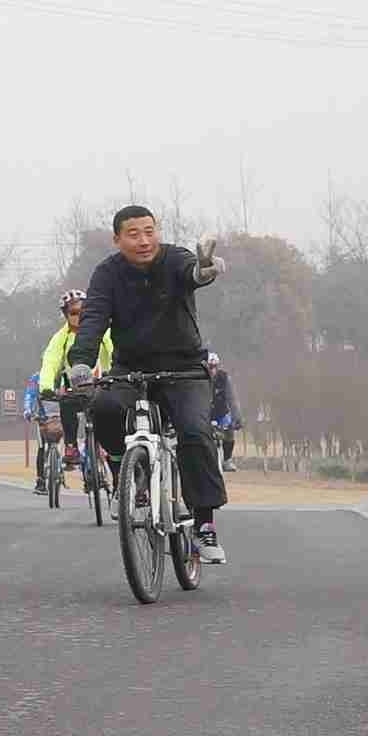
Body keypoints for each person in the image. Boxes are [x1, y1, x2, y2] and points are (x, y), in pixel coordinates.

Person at [65, 204, 231, 562]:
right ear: (117, 239)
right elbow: (93, 319)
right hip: (131, 370)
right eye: (134, 233)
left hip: (184, 369)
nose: (144, 240)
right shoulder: (107, 274)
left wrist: (204, 271)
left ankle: (204, 524)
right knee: (105, 409)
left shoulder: (175, 259)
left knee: (194, 432)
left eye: (149, 231)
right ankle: (127, 475)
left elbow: (194, 274)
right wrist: (81, 363)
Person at [33, 288, 110, 496]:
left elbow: (114, 350)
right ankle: (71, 446)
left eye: (82, 311)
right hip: (74, 388)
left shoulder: (103, 331)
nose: (78, 316)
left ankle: (119, 476)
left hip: (102, 385)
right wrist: (46, 386)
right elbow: (50, 362)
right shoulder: (61, 338)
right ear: (66, 315)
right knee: (66, 403)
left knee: (111, 422)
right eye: (73, 313)